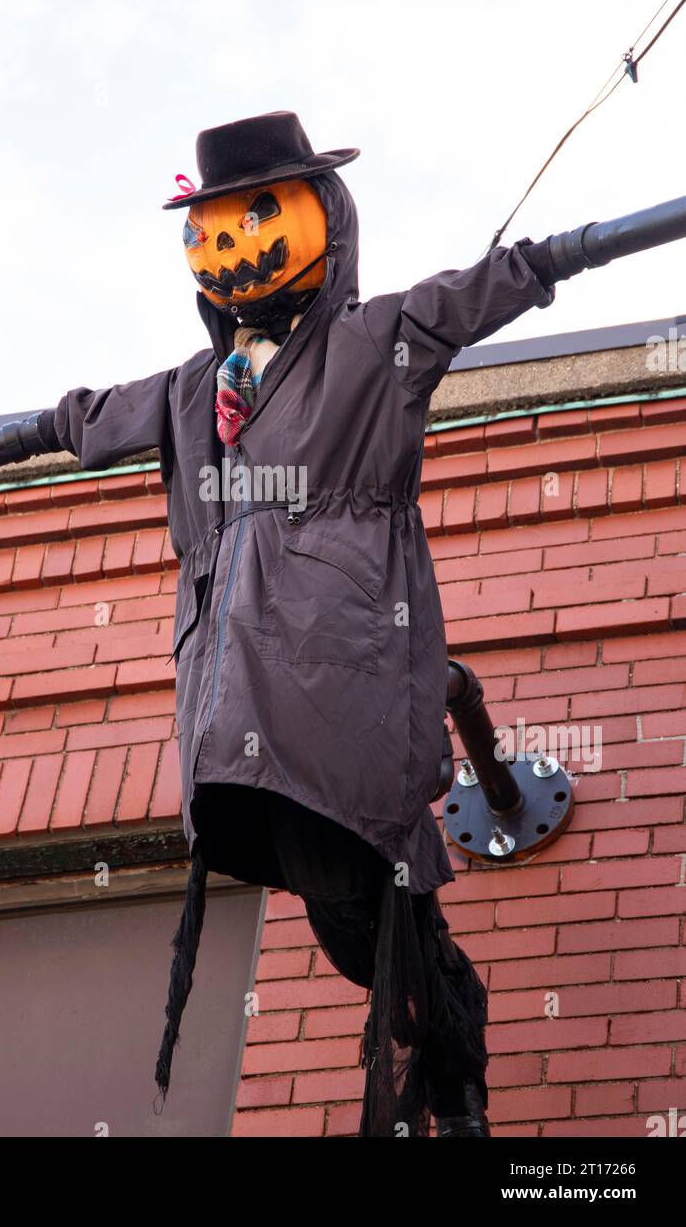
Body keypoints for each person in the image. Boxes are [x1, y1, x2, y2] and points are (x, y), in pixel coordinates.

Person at [33, 111, 559, 1137]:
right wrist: (54, 420)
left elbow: (469, 298)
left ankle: (439, 1045)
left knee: (373, 890)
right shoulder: (192, 393)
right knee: (337, 902)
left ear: (325, 214)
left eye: (258, 216)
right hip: (235, 711)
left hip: (341, 669)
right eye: (210, 227)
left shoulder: (371, 349)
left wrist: (551, 259)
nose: (232, 245)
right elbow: (94, 422)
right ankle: (425, 1020)